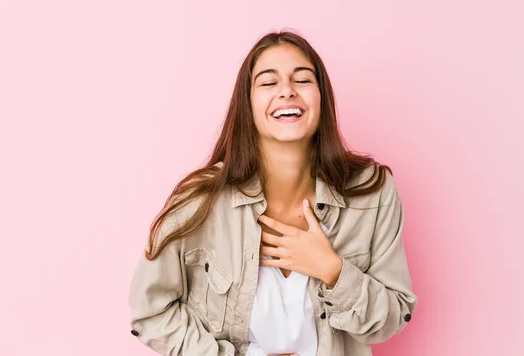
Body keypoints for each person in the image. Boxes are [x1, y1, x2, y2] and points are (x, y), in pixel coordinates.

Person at [128, 30, 417, 356]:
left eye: (303, 80)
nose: (287, 91)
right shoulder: (201, 199)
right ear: (248, 104)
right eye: (268, 83)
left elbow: (393, 318)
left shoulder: (372, 192)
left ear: (322, 97)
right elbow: (150, 312)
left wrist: (333, 271)